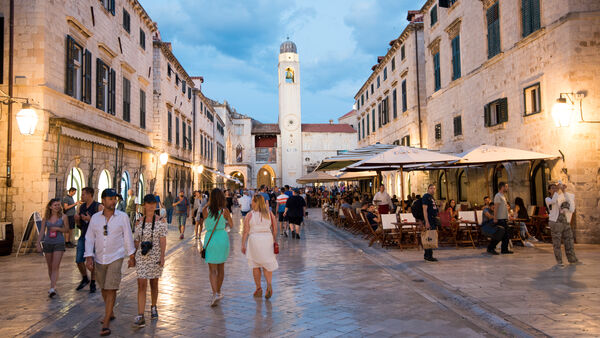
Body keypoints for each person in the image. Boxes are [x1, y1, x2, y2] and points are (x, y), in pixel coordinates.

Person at [85, 188, 135, 337]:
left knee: (111, 287)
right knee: (103, 287)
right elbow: (90, 238)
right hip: (100, 257)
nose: (113, 201)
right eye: (110, 198)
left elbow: (127, 236)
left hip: (116, 256)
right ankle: (110, 311)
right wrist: (89, 256)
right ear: (104, 200)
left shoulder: (122, 217)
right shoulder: (95, 218)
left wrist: (131, 255)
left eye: (115, 199)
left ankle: (106, 321)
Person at [132, 194, 167, 327]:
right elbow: (136, 240)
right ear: (144, 205)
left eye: (154, 203)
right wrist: (132, 256)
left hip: (155, 256)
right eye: (149, 203)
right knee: (141, 284)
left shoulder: (161, 222)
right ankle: (140, 315)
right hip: (142, 256)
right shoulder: (139, 222)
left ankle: (153, 306)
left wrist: (162, 257)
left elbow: (163, 240)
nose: (151, 206)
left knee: (154, 283)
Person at [241, 194, 278, 299]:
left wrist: (243, 244)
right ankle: (269, 285)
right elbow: (275, 229)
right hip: (267, 239)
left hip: (254, 240)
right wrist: (273, 239)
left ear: (256, 202)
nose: (251, 203)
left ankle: (258, 288)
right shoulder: (269, 214)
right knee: (267, 264)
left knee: (255, 265)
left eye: (252, 201)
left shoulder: (250, 215)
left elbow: (245, 231)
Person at [202, 188, 233, 306]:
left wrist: (209, 203)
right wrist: (223, 224)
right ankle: (219, 291)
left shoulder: (206, 210)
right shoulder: (225, 211)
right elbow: (231, 225)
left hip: (210, 239)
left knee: (212, 270)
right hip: (222, 238)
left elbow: (204, 216)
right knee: (221, 268)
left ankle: (214, 293)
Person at [37, 198, 68, 297]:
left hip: (59, 243)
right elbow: (42, 231)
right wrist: (38, 243)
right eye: (55, 205)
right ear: (50, 207)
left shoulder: (63, 217)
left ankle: (51, 287)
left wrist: (58, 228)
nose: (57, 207)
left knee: (55, 266)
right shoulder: (45, 218)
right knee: (50, 266)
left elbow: (67, 230)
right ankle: (53, 285)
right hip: (48, 243)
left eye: (59, 205)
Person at [74, 187, 103, 293]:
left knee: (93, 261)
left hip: (95, 238)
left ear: (90, 195)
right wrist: (77, 220)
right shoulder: (81, 207)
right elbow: (80, 225)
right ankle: (85, 278)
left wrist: (90, 219)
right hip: (84, 236)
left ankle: (93, 282)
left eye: (83, 194)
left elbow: (103, 224)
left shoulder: (98, 207)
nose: (82, 196)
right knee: (79, 259)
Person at [545, 182, 579, 266]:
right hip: (555, 222)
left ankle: (572, 259)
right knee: (557, 243)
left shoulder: (560, 197)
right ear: (549, 190)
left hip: (564, 220)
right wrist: (557, 190)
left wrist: (563, 191)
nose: (554, 189)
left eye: (555, 187)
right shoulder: (548, 199)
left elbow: (568, 201)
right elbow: (553, 201)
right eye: (552, 188)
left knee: (569, 240)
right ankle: (559, 261)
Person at [493, 182, 513, 254]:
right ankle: (491, 247)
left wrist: (508, 216)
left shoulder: (503, 196)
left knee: (506, 235)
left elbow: (504, 208)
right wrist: (495, 218)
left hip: (504, 218)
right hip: (500, 218)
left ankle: (504, 249)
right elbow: (496, 208)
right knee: (500, 235)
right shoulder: (498, 196)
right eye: (506, 187)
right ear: (502, 187)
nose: (507, 188)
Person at [422, 184, 440, 262]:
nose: (433, 190)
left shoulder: (432, 198)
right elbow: (424, 210)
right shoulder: (426, 197)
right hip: (429, 220)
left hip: (433, 219)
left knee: (431, 236)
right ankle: (428, 255)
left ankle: (429, 255)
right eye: (431, 188)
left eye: (434, 188)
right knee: (428, 237)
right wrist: (426, 221)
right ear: (428, 189)